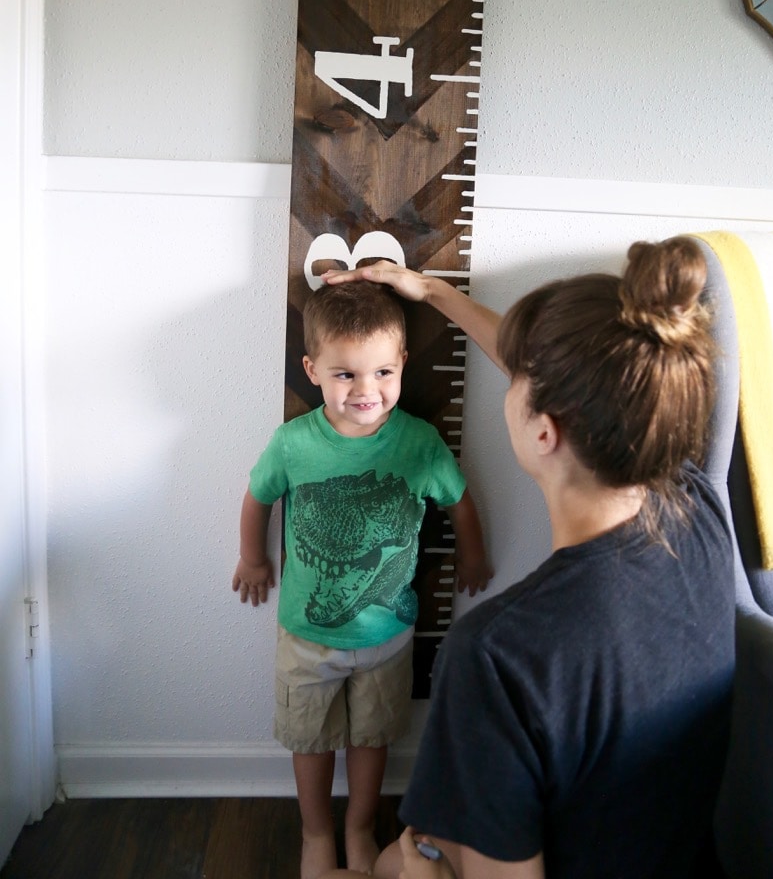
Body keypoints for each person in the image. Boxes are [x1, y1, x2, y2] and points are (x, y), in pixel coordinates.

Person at [319, 236, 735, 879]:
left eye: (521, 380)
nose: (509, 379)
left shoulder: (499, 654)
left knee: (384, 867)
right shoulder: (697, 507)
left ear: (544, 431)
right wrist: (431, 291)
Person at [232, 281, 492, 879]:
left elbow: (460, 503)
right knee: (311, 740)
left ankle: (358, 825)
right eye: (345, 375)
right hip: (306, 635)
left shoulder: (419, 444)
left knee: (372, 738)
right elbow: (257, 497)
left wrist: (472, 555)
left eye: (380, 371)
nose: (366, 391)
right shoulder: (294, 443)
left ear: (401, 364)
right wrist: (252, 557)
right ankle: (316, 830)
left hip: (388, 633)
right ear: (313, 371)